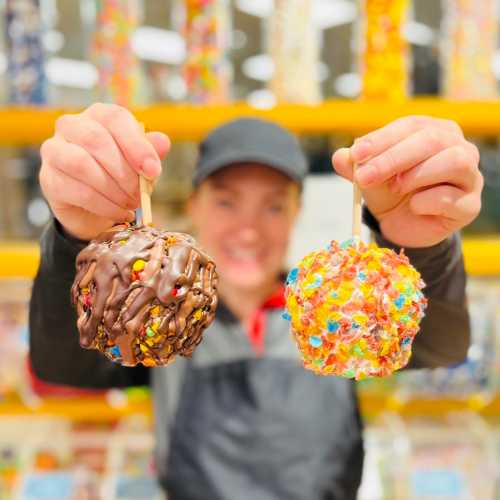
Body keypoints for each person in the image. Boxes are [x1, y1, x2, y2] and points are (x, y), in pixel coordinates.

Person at [30, 104, 483, 500]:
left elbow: (442, 346)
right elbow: (59, 363)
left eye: (272, 207)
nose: (248, 229)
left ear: (295, 213)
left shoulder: (332, 310)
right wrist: (75, 241)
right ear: (196, 206)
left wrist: (425, 248)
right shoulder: (157, 312)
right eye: (227, 203)